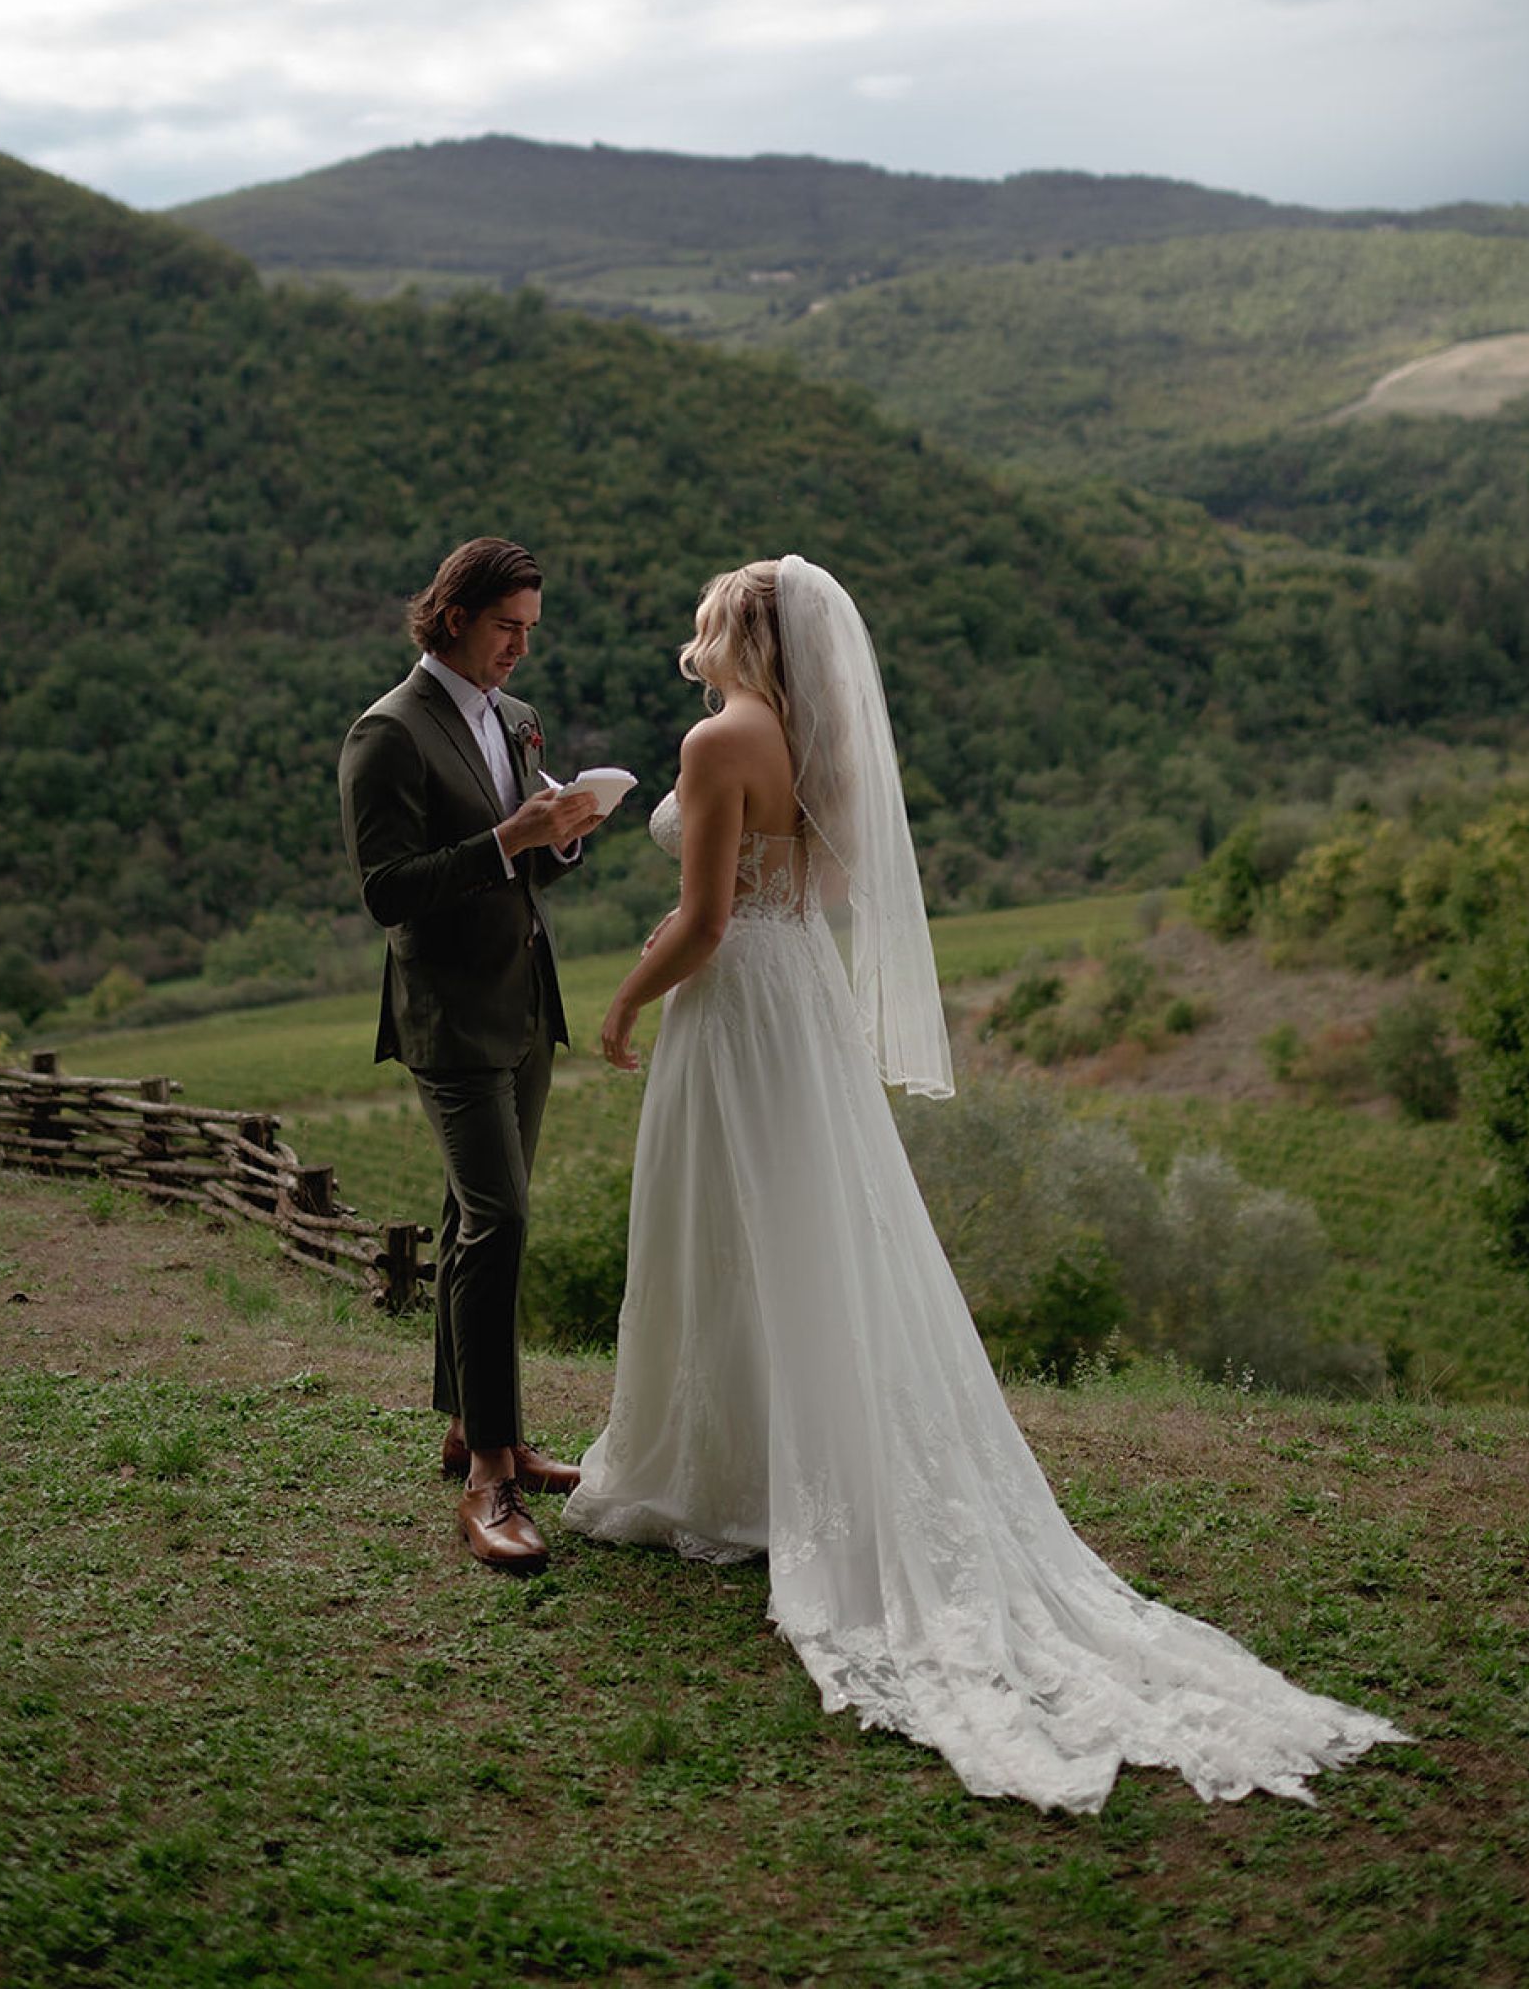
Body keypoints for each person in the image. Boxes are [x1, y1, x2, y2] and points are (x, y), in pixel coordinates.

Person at [565, 556, 1407, 1812]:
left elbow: (698, 922)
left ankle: (712, 1467)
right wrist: (759, 910)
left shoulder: (714, 742)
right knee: (809, 1232)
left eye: (703, 628)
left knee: (719, 1228)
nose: (694, 646)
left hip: (736, 1005)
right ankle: (758, 1462)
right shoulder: (811, 741)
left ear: (734, 633)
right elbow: (832, 886)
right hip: (803, 1003)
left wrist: (629, 996)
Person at [339, 536, 602, 1574]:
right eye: (507, 626)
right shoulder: (386, 732)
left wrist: (562, 831)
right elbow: (388, 889)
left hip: (525, 1000)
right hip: (447, 1014)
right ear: (452, 614)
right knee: (500, 1218)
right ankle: (492, 1470)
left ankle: (469, 1426)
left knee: (470, 1216)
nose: (520, 648)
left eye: (531, 630)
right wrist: (507, 839)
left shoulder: (510, 719)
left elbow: (521, 861)